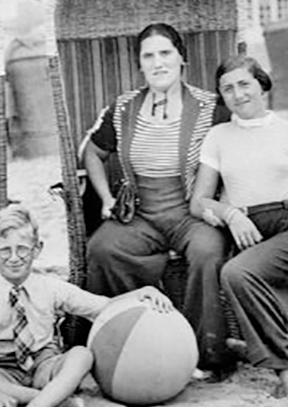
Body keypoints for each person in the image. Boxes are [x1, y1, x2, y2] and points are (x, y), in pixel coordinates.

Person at [80, 22, 234, 378]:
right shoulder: (123, 108)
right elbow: (93, 153)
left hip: (192, 212)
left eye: (165, 53)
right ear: (140, 64)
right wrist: (105, 197)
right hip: (141, 212)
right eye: (148, 56)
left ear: (183, 59)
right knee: (103, 248)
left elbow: (235, 152)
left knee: (208, 251)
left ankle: (201, 353)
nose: (157, 62)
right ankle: (134, 339)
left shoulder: (210, 107)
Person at [0, 204, 171, 407]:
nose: (14, 258)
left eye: (23, 249)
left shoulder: (49, 287)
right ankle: (56, 401)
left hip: (44, 367)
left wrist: (141, 293)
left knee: (81, 355)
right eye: (4, 250)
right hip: (2, 372)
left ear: (37, 250)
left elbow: (103, 306)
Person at [190, 55, 288, 394]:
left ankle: (285, 371)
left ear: (262, 84)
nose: (238, 94)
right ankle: (284, 365)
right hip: (249, 228)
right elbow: (198, 200)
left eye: (245, 83)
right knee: (237, 272)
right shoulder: (219, 136)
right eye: (227, 88)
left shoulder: (286, 128)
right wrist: (230, 214)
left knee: (242, 272)